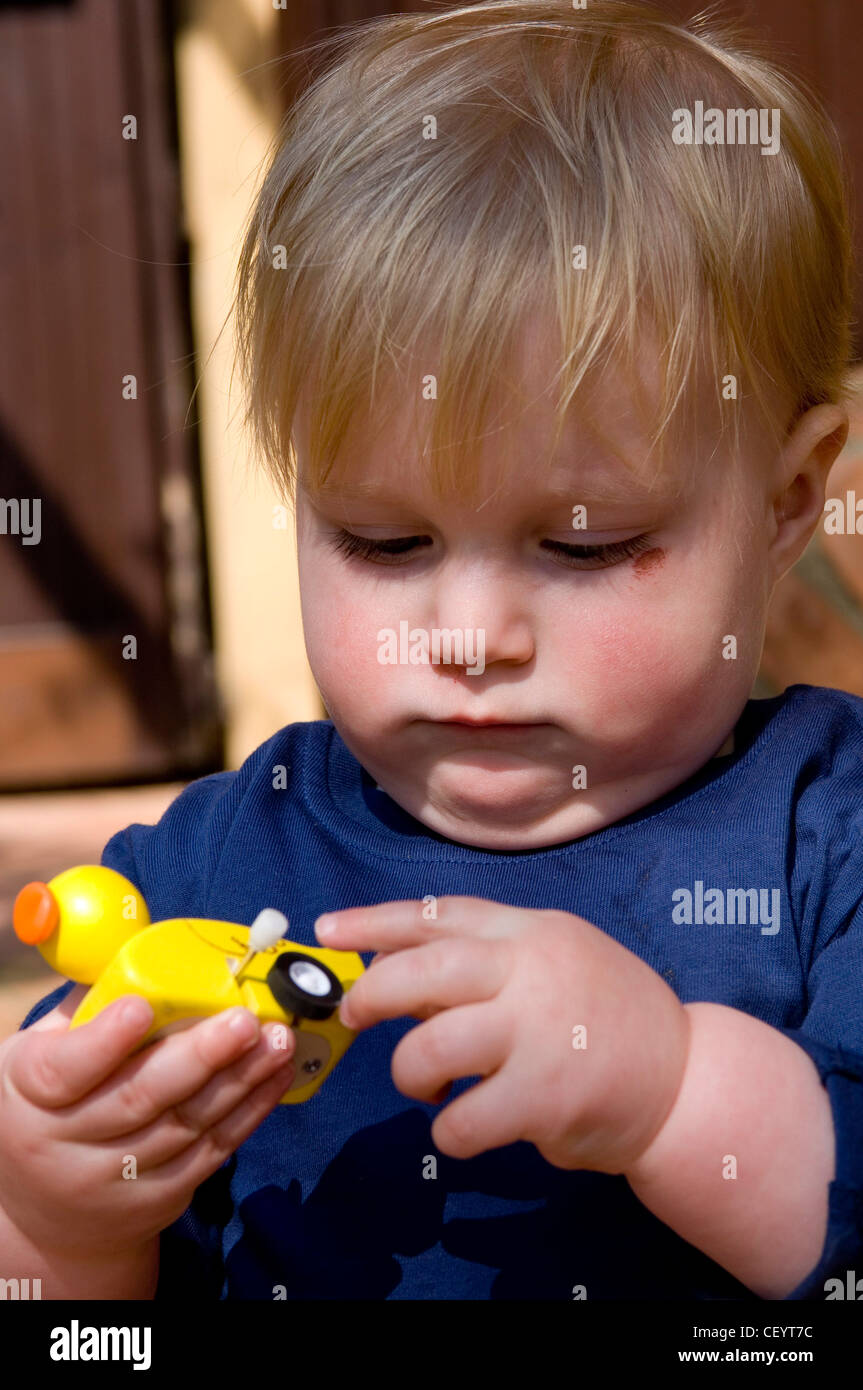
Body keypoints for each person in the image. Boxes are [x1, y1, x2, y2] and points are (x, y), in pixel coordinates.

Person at [2, 0, 862, 1300]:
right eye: (383, 540)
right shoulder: (215, 863)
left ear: (791, 496)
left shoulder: (826, 837)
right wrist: (63, 1228)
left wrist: (677, 1088)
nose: (467, 636)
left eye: (582, 545)